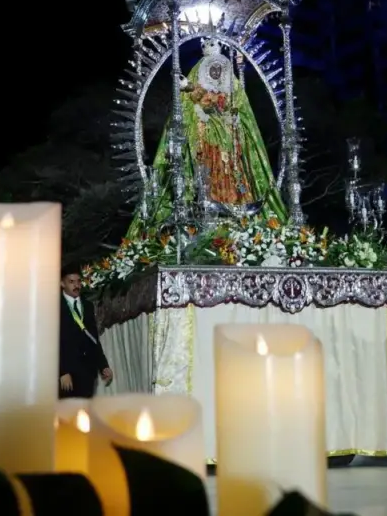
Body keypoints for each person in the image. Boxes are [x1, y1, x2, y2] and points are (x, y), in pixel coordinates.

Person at [127, 37, 286, 236]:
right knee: (207, 177)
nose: (216, 72)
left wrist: (195, 90)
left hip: (231, 148)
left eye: (219, 69)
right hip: (207, 146)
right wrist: (192, 90)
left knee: (234, 177)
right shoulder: (196, 97)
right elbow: (201, 108)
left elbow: (227, 106)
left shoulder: (232, 90)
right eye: (212, 69)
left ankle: (236, 214)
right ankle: (207, 213)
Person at [59, 265, 112, 398]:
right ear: (62, 283)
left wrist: (103, 366)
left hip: (87, 372)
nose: (76, 285)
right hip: (67, 374)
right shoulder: (55, 306)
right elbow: (53, 342)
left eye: (78, 281)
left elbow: (93, 338)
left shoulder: (87, 306)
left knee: (84, 413)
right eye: (71, 282)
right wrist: (62, 372)